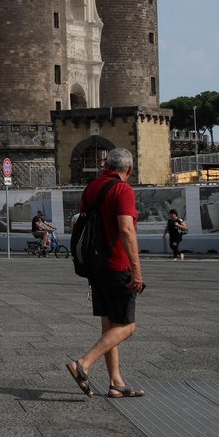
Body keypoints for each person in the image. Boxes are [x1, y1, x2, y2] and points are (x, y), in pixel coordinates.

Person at [65, 148, 145, 399]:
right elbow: (126, 230)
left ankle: (116, 382)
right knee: (128, 326)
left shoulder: (91, 188)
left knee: (109, 325)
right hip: (117, 264)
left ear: (104, 166)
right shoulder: (123, 189)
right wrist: (137, 270)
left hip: (95, 265)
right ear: (129, 169)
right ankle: (83, 364)